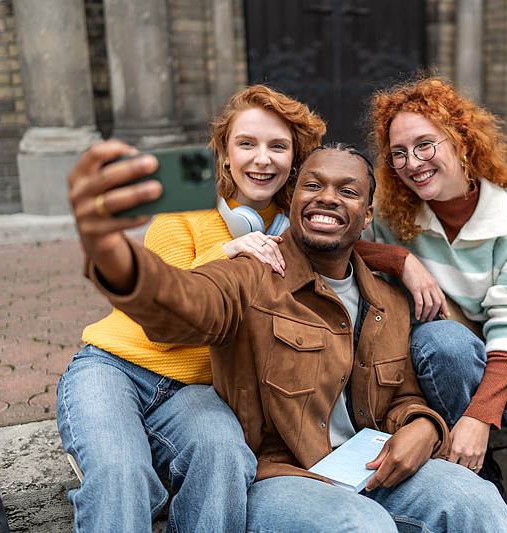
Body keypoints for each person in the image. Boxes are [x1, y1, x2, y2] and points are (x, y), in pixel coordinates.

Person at [65, 140, 507, 532]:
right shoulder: (254, 275)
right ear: (293, 199)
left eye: (348, 191)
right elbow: (181, 303)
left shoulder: (387, 299)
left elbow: (401, 396)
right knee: (363, 526)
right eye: (313, 186)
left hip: (368, 468)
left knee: (476, 500)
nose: (327, 199)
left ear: (367, 216)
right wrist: (112, 253)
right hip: (280, 478)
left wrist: (423, 426)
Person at [55, 85, 325, 532]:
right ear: (224, 153)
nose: (262, 159)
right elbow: (170, 314)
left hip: (193, 392)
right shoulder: (183, 212)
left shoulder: (294, 230)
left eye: (278, 146)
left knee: (224, 458)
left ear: (294, 160)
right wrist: (228, 250)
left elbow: (352, 248)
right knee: (123, 473)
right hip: (114, 367)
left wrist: (405, 261)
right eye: (246, 143)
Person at [361, 75, 507, 533]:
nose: (411, 163)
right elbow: (337, 243)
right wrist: (400, 260)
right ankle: (484, 483)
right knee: (444, 339)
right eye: (398, 153)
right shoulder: (394, 216)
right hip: (439, 365)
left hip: (503, 355)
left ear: (461, 142)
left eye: (424, 145)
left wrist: (479, 417)